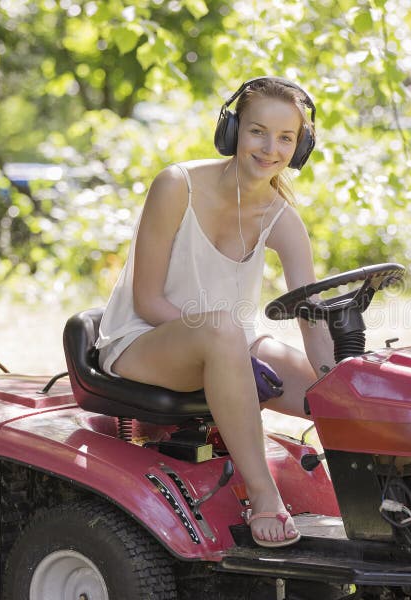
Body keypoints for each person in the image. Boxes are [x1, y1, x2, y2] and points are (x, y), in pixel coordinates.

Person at [95, 77, 334, 548]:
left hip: (228, 342)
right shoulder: (177, 184)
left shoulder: (281, 216)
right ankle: (264, 495)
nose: (270, 149)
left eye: (286, 138)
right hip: (142, 340)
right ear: (233, 130)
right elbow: (147, 300)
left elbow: (310, 310)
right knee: (225, 330)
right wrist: (230, 354)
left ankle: (386, 502)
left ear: (300, 145)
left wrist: (339, 380)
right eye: (258, 132)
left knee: (333, 389)